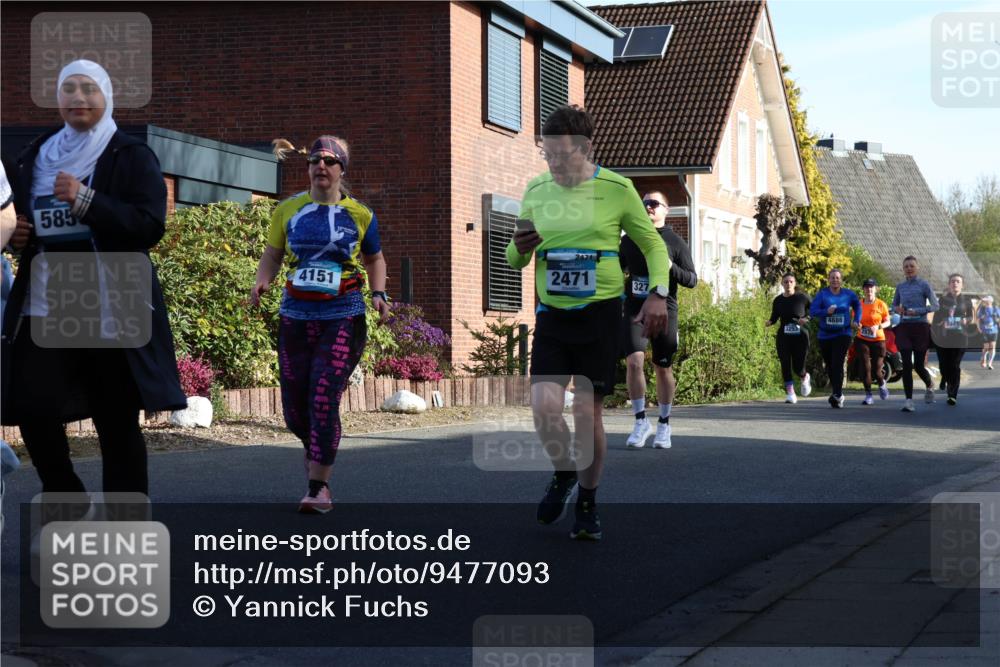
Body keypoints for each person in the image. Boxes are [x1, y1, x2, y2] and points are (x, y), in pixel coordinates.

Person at [1, 60, 186, 495]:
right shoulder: (36, 155)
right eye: (68, 89)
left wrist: (87, 200)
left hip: (110, 309)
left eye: (89, 89)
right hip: (47, 305)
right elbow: (22, 220)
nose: (78, 98)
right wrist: (19, 236)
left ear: (106, 96)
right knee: (31, 406)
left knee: (115, 423)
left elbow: (149, 225)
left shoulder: (129, 154)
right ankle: (66, 493)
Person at [506, 105, 670, 541]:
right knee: (543, 408)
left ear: (585, 148)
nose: (555, 164)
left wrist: (658, 294)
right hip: (553, 313)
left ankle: (588, 502)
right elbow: (514, 256)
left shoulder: (617, 189)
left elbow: (654, 247)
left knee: (586, 411)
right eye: (548, 155)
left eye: (563, 155)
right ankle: (564, 473)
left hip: (599, 314)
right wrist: (520, 246)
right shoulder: (537, 189)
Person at [251, 135, 389, 514]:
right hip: (295, 315)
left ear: (342, 169)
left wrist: (379, 294)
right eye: (315, 160)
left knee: (324, 397)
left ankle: (319, 487)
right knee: (296, 410)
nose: (321, 166)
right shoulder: (288, 210)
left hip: (342, 314)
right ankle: (318, 449)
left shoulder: (360, 214)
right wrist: (262, 279)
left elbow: (375, 258)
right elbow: (273, 253)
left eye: (330, 161)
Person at [619, 190, 697, 448]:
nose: (649, 207)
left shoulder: (675, 242)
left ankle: (664, 424)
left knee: (662, 367)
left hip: (665, 309)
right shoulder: (630, 240)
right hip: (634, 308)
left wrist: (669, 267)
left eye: (654, 203)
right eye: (645, 203)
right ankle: (641, 421)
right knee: (634, 362)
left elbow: (692, 280)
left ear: (666, 209)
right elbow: (615, 266)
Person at [892, 256, 939, 412]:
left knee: (918, 365)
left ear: (917, 268)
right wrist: (897, 309)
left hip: (920, 327)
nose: (909, 268)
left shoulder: (924, 285)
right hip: (905, 327)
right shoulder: (900, 286)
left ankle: (930, 384)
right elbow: (894, 305)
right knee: (906, 364)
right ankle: (909, 401)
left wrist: (917, 311)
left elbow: (935, 305)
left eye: (912, 266)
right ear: (903, 269)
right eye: (906, 266)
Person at [809, 269, 861, 408]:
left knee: (837, 362)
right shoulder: (822, 295)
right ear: (828, 279)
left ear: (841, 280)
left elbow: (857, 305)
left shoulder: (848, 294)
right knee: (830, 365)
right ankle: (837, 392)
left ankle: (837, 394)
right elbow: (813, 311)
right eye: (832, 278)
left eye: (837, 278)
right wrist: (826, 311)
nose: (835, 280)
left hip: (843, 333)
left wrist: (856, 319)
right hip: (825, 335)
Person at [765, 273, 812, 404]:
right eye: (785, 282)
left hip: (800, 334)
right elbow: (774, 316)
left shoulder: (802, 298)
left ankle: (804, 376)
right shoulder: (778, 300)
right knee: (785, 362)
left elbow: (813, 311)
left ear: (794, 283)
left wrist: (806, 318)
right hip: (784, 334)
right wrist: (769, 322)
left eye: (791, 281)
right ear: (782, 284)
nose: (788, 284)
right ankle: (790, 392)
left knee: (798, 366)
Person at [932, 274, 974, 405]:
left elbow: (971, 317)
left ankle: (952, 394)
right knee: (944, 365)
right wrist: (941, 323)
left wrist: (964, 320)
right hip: (944, 338)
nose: (955, 283)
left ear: (962, 285)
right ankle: (944, 377)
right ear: (949, 284)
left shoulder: (966, 300)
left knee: (955, 365)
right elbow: (936, 318)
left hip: (961, 337)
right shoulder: (942, 300)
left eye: (958, 281)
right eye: (953, 281)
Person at [853, 278, 891, 404]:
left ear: (875, 289)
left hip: (878, 340)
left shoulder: (881, 304)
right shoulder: (858, 304)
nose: (869, 289)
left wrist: (879, 326)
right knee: (865, 367)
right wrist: (856, 325)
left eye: (871, 287)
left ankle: (881, 383)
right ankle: (868, 395)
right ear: (863, 289)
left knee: (876, 369)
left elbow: (888, 321)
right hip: (862, 339)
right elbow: (853, 321)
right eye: (866, 287)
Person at [977, 295, 998, 369]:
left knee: (992, 347)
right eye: (984, 301)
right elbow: (978, 320)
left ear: (990, 301)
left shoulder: (995, 309)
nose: (984, 302)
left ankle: (990, 363)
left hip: (994, 331)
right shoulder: (982, 309)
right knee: (986, 347)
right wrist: (979, 328)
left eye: (986, 300)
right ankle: (983, 357)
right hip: (984, 331)